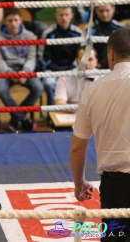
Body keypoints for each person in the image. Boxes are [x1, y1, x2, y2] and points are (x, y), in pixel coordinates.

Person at [70, 28, 130, 241]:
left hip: (116, 185)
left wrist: (80, 183)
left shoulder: (92, 90)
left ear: (111, 55)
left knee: (117, 237)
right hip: (116, 182)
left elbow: (78, 146)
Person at [0, 8, 43, 132]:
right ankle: (23, 119)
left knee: (38, 88)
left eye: (16, 20)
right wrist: (9, 73)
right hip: (6, 70)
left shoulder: (30, 36)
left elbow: (31, 58)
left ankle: (16, 119)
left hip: (24, 70)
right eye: (10, 20)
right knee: (1, 89)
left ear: (21, 21)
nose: (13, 23)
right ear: (5, 21)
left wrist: (25, 71)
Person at [39, 7, 84, 105]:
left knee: (82, 81)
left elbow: (81, 55)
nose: (64, 18)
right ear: (56, 16)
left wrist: (71, 67)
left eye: (67, 15)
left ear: (71, 16)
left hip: (72, 69)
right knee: (48, 83)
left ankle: (77, 113)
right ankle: (52, 113)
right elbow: (43, 57)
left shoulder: (78, 33)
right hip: (53, 69)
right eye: (61, 15)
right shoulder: (48, 33)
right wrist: (56, 68)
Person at [86, 2, 123, 69]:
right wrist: (94, 63)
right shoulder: (89, 30)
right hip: (96, 68)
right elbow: (84, 50)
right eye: (101, 11)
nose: (104, 14)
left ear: (113, 9)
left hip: (117, 66)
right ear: (96, 10)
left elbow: (125, 50)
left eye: (107, 11)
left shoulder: (120, 28)